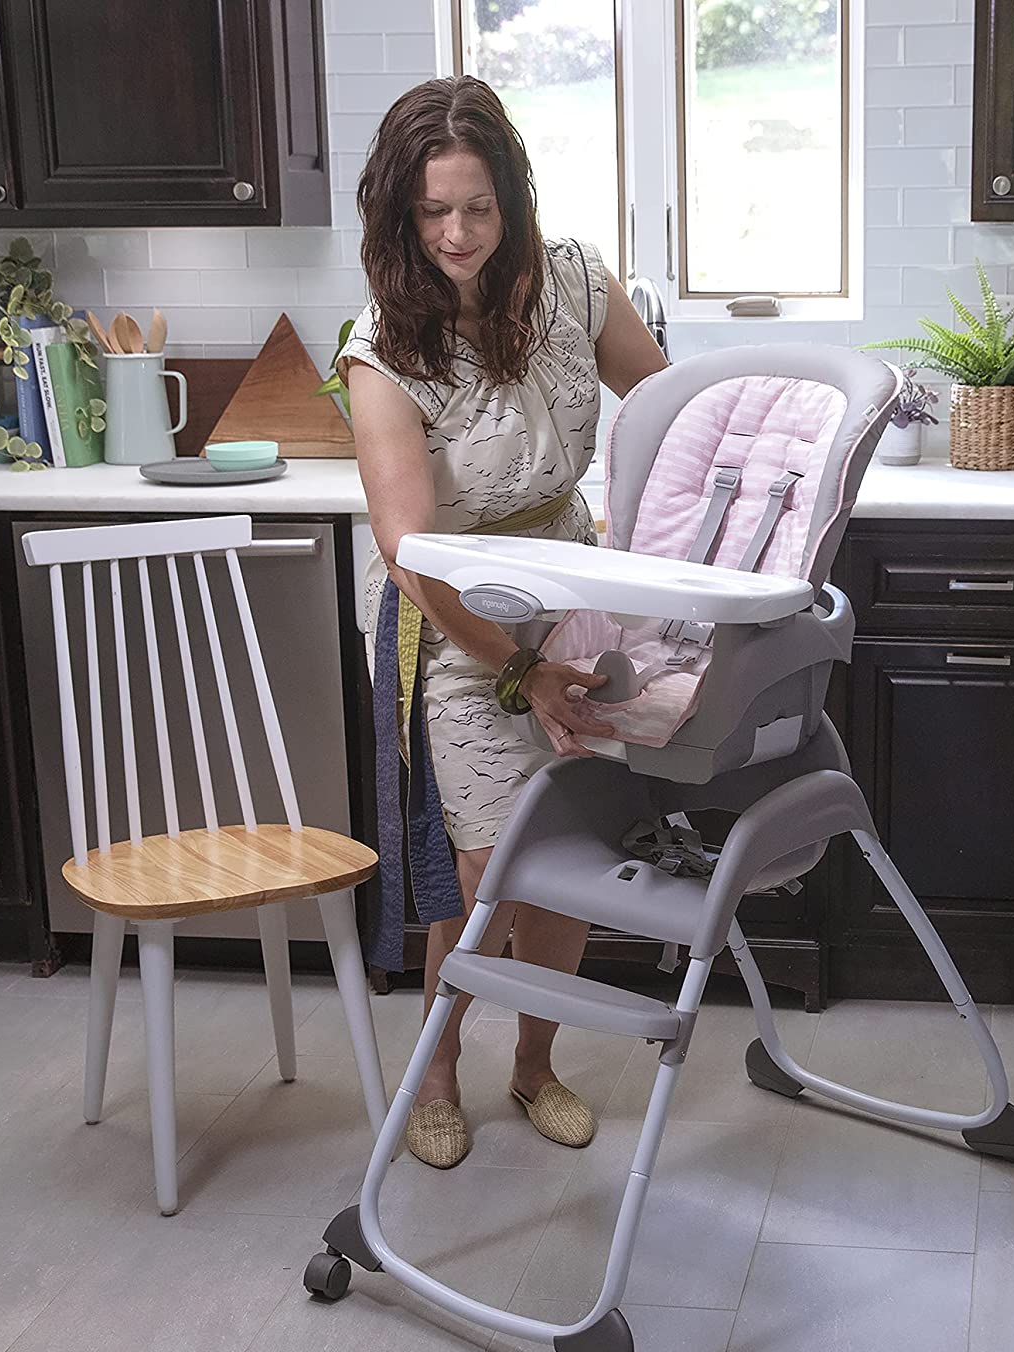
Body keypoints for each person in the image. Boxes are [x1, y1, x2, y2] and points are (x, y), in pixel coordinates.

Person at [339, 75, 667, 1169]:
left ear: (511, 201)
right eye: (433, 212)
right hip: (459, 617)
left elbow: (663, 407)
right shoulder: (382, 347)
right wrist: (520, 667)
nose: (459, 233)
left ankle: (535, 1064)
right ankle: (437, 1067)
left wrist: (646, 514)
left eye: (478, 207)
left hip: (573, 591)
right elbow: (410, 551)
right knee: (485, 874)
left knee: (570, 853)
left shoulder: (570, 281)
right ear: (399, 216)